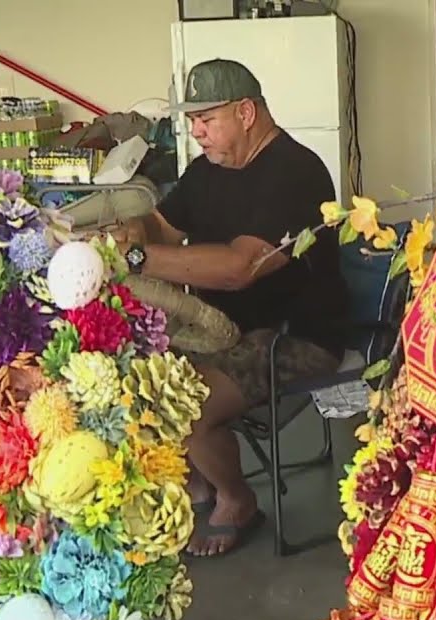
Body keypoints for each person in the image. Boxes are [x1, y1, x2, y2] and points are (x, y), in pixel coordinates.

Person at [111, 59, 348, 556]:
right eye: (192, 122)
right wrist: (133, 229)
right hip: (224, 329)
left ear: (246, 112)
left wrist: (136, 257)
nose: (196, 133)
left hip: (294, 335)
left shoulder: (295, 172)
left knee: (188, 410)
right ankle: (199, 484)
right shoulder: (207, 170)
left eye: (206, 120)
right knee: (133, 382)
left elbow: (241, 267)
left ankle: (237, 500)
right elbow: (160, 224)